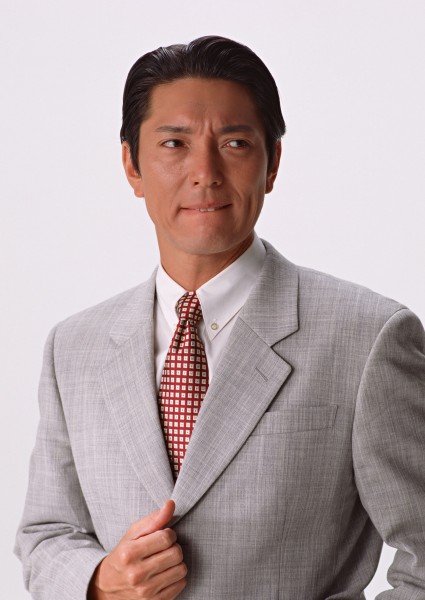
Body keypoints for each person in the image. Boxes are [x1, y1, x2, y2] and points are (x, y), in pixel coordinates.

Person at [15, 35, 425, 600]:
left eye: (234, 143)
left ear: (272, 162)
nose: (205, 172)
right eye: (174, 143)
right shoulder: (74, 347)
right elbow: (45, 535)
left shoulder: (368, 337)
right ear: (132, 165)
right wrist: (99, 582)